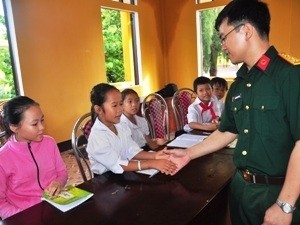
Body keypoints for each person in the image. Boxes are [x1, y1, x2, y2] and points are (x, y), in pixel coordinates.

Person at [166, 0, 300, 224]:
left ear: (246, 31)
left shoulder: (290, 76)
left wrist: (284, 205)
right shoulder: (239, 84)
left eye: (223, 36)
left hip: (277, 191)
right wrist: (188, 154)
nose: (222, 45)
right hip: (240, 188)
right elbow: (227, 130)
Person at [86, 83, 177, 176]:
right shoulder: (97, 136)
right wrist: (150, 163)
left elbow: (131, 150)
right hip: (106, 179)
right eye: (114, 105)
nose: (120, 109)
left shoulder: (120, 125)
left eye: (121, 104)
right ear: (98, 109)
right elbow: (117, 164)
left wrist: (155, 155)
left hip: (124, 172)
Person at [0, 96, 68, 219]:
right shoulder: (3, 158)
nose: (42, 127)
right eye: (35, 124)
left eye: (42, 120)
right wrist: (22, 217)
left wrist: (58, 182)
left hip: (56, 207)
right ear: (14, 127)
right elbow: (1, 204)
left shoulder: (49, 143)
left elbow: (62, 173)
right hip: (25, 215)